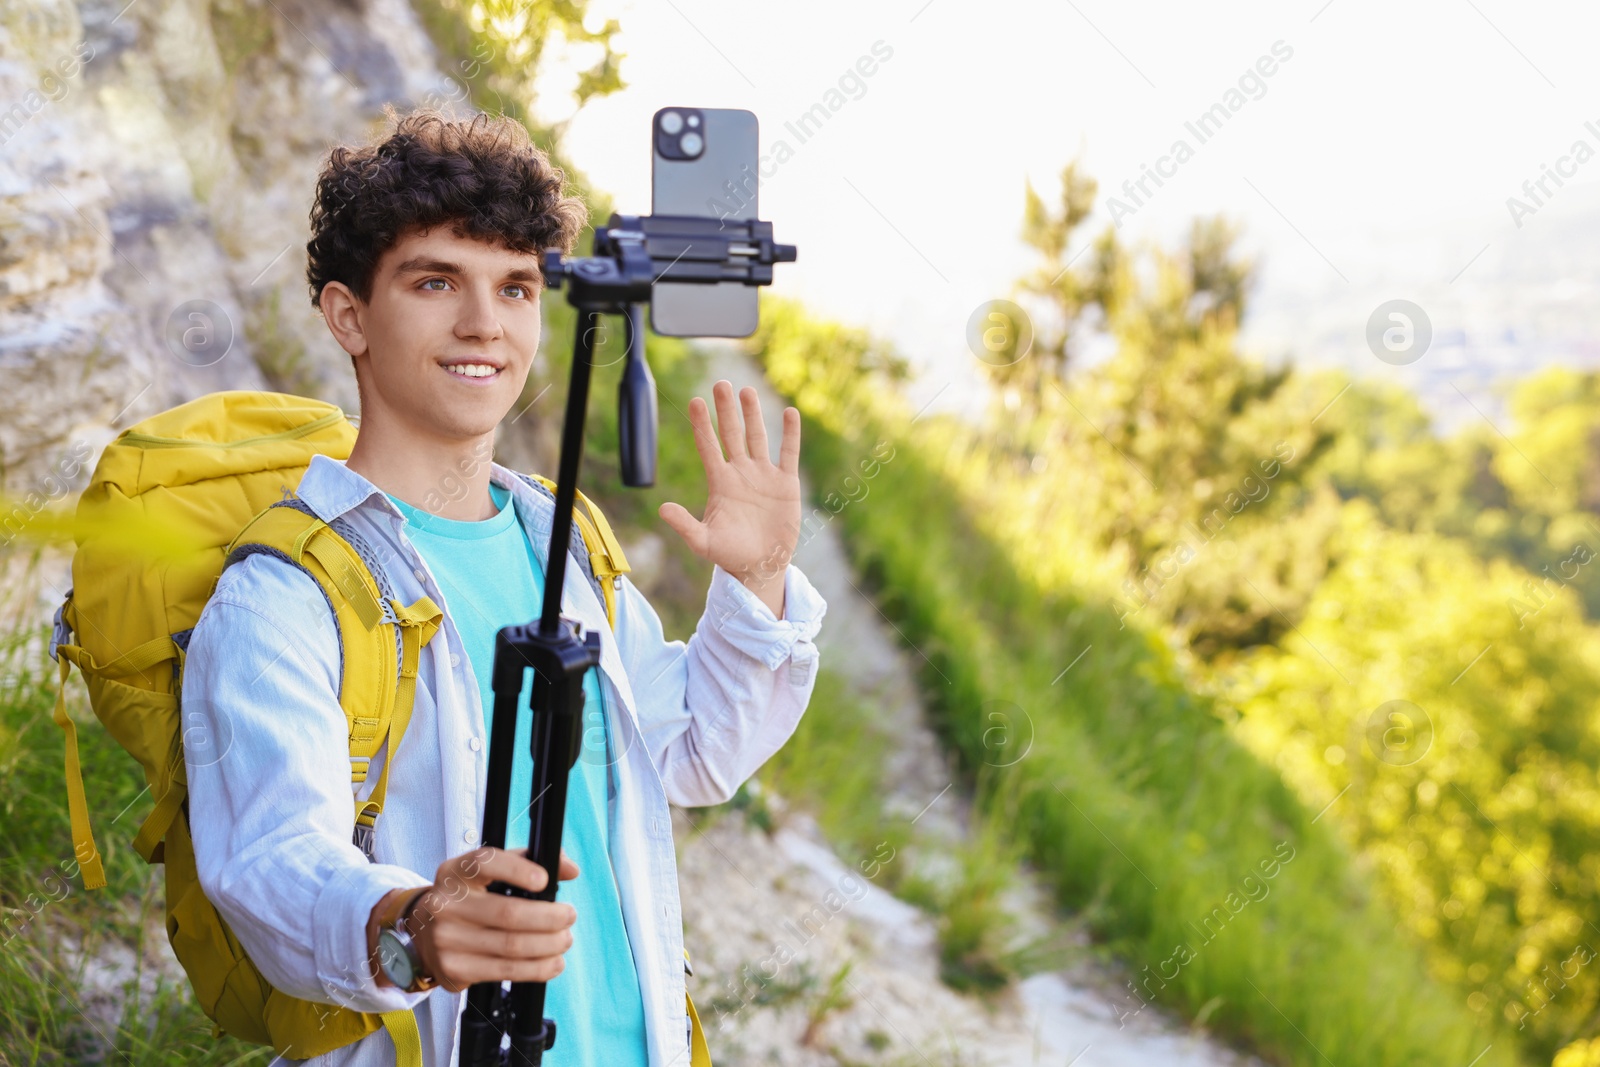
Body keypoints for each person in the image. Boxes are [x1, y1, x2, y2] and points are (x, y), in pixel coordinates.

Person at [180, 104, 827, 1066]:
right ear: (347, 314)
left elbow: (690, 752)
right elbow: (270, 862)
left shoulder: (560, 544)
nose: (485, 323)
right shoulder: (286, 590)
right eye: (435, 281)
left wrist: (759, 581)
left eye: (517, 288)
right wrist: (409, 925)